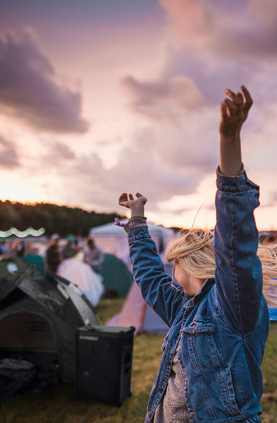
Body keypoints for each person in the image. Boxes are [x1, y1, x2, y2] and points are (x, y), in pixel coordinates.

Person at [118, 86, 277, 422]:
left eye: (174, 263)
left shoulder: (232, 308)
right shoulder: (183, 307)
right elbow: (148, 277)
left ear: (191, 264)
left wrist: (228, 143)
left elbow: (235, 245)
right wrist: (137, 221)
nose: (170, 270)